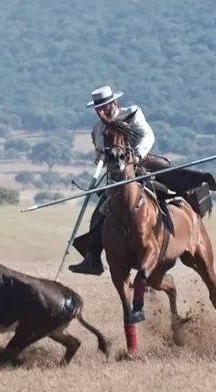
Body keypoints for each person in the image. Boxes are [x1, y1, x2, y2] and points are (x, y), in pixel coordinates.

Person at [68, 85, 171, 276]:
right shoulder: (98, 129)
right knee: (101, 210)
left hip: (140, 164)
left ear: (115, 102)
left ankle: (173, 228)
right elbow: (99, 153)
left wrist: (136, 156)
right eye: (99, 108)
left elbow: (148, 136)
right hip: (115, 176)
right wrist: (100, 158)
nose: (102, 110)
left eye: (105, 106)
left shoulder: (131, 114)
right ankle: (92, 256)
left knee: (167, 186)